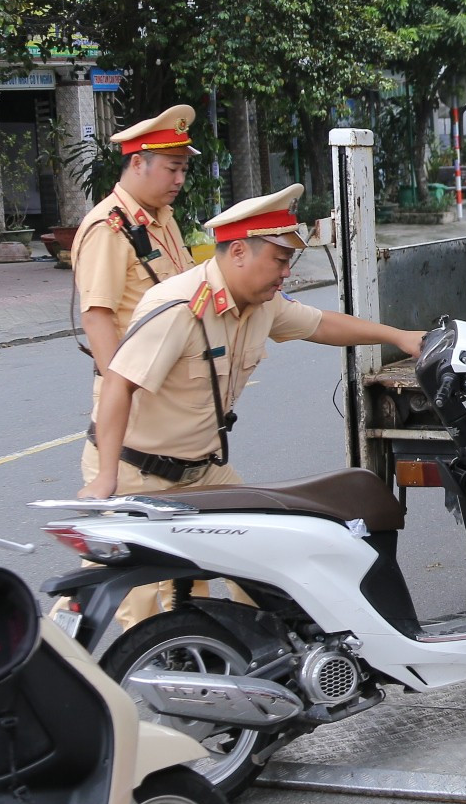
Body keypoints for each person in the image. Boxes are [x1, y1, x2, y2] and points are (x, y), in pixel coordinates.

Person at [77, 183, 425, 628]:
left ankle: (266, 668)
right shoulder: (181, 308)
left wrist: (396, 337)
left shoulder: (262, 304)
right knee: (131, 600)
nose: (286, 273)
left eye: (288, 261)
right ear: (239, 252)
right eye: (279, 260)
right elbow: (117, 386)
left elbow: (321, 324)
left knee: (263, 567)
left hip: (203, 472)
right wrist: (107, 478)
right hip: (135, 472)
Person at [70, 104, 199, 378]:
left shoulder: (164, 217)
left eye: (184, 170)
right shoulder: (108, 228)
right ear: (138, 163)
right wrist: (120, 394)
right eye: (172, 169)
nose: (180, 180)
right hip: (138, 388)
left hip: (173, 381)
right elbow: (96, 317)